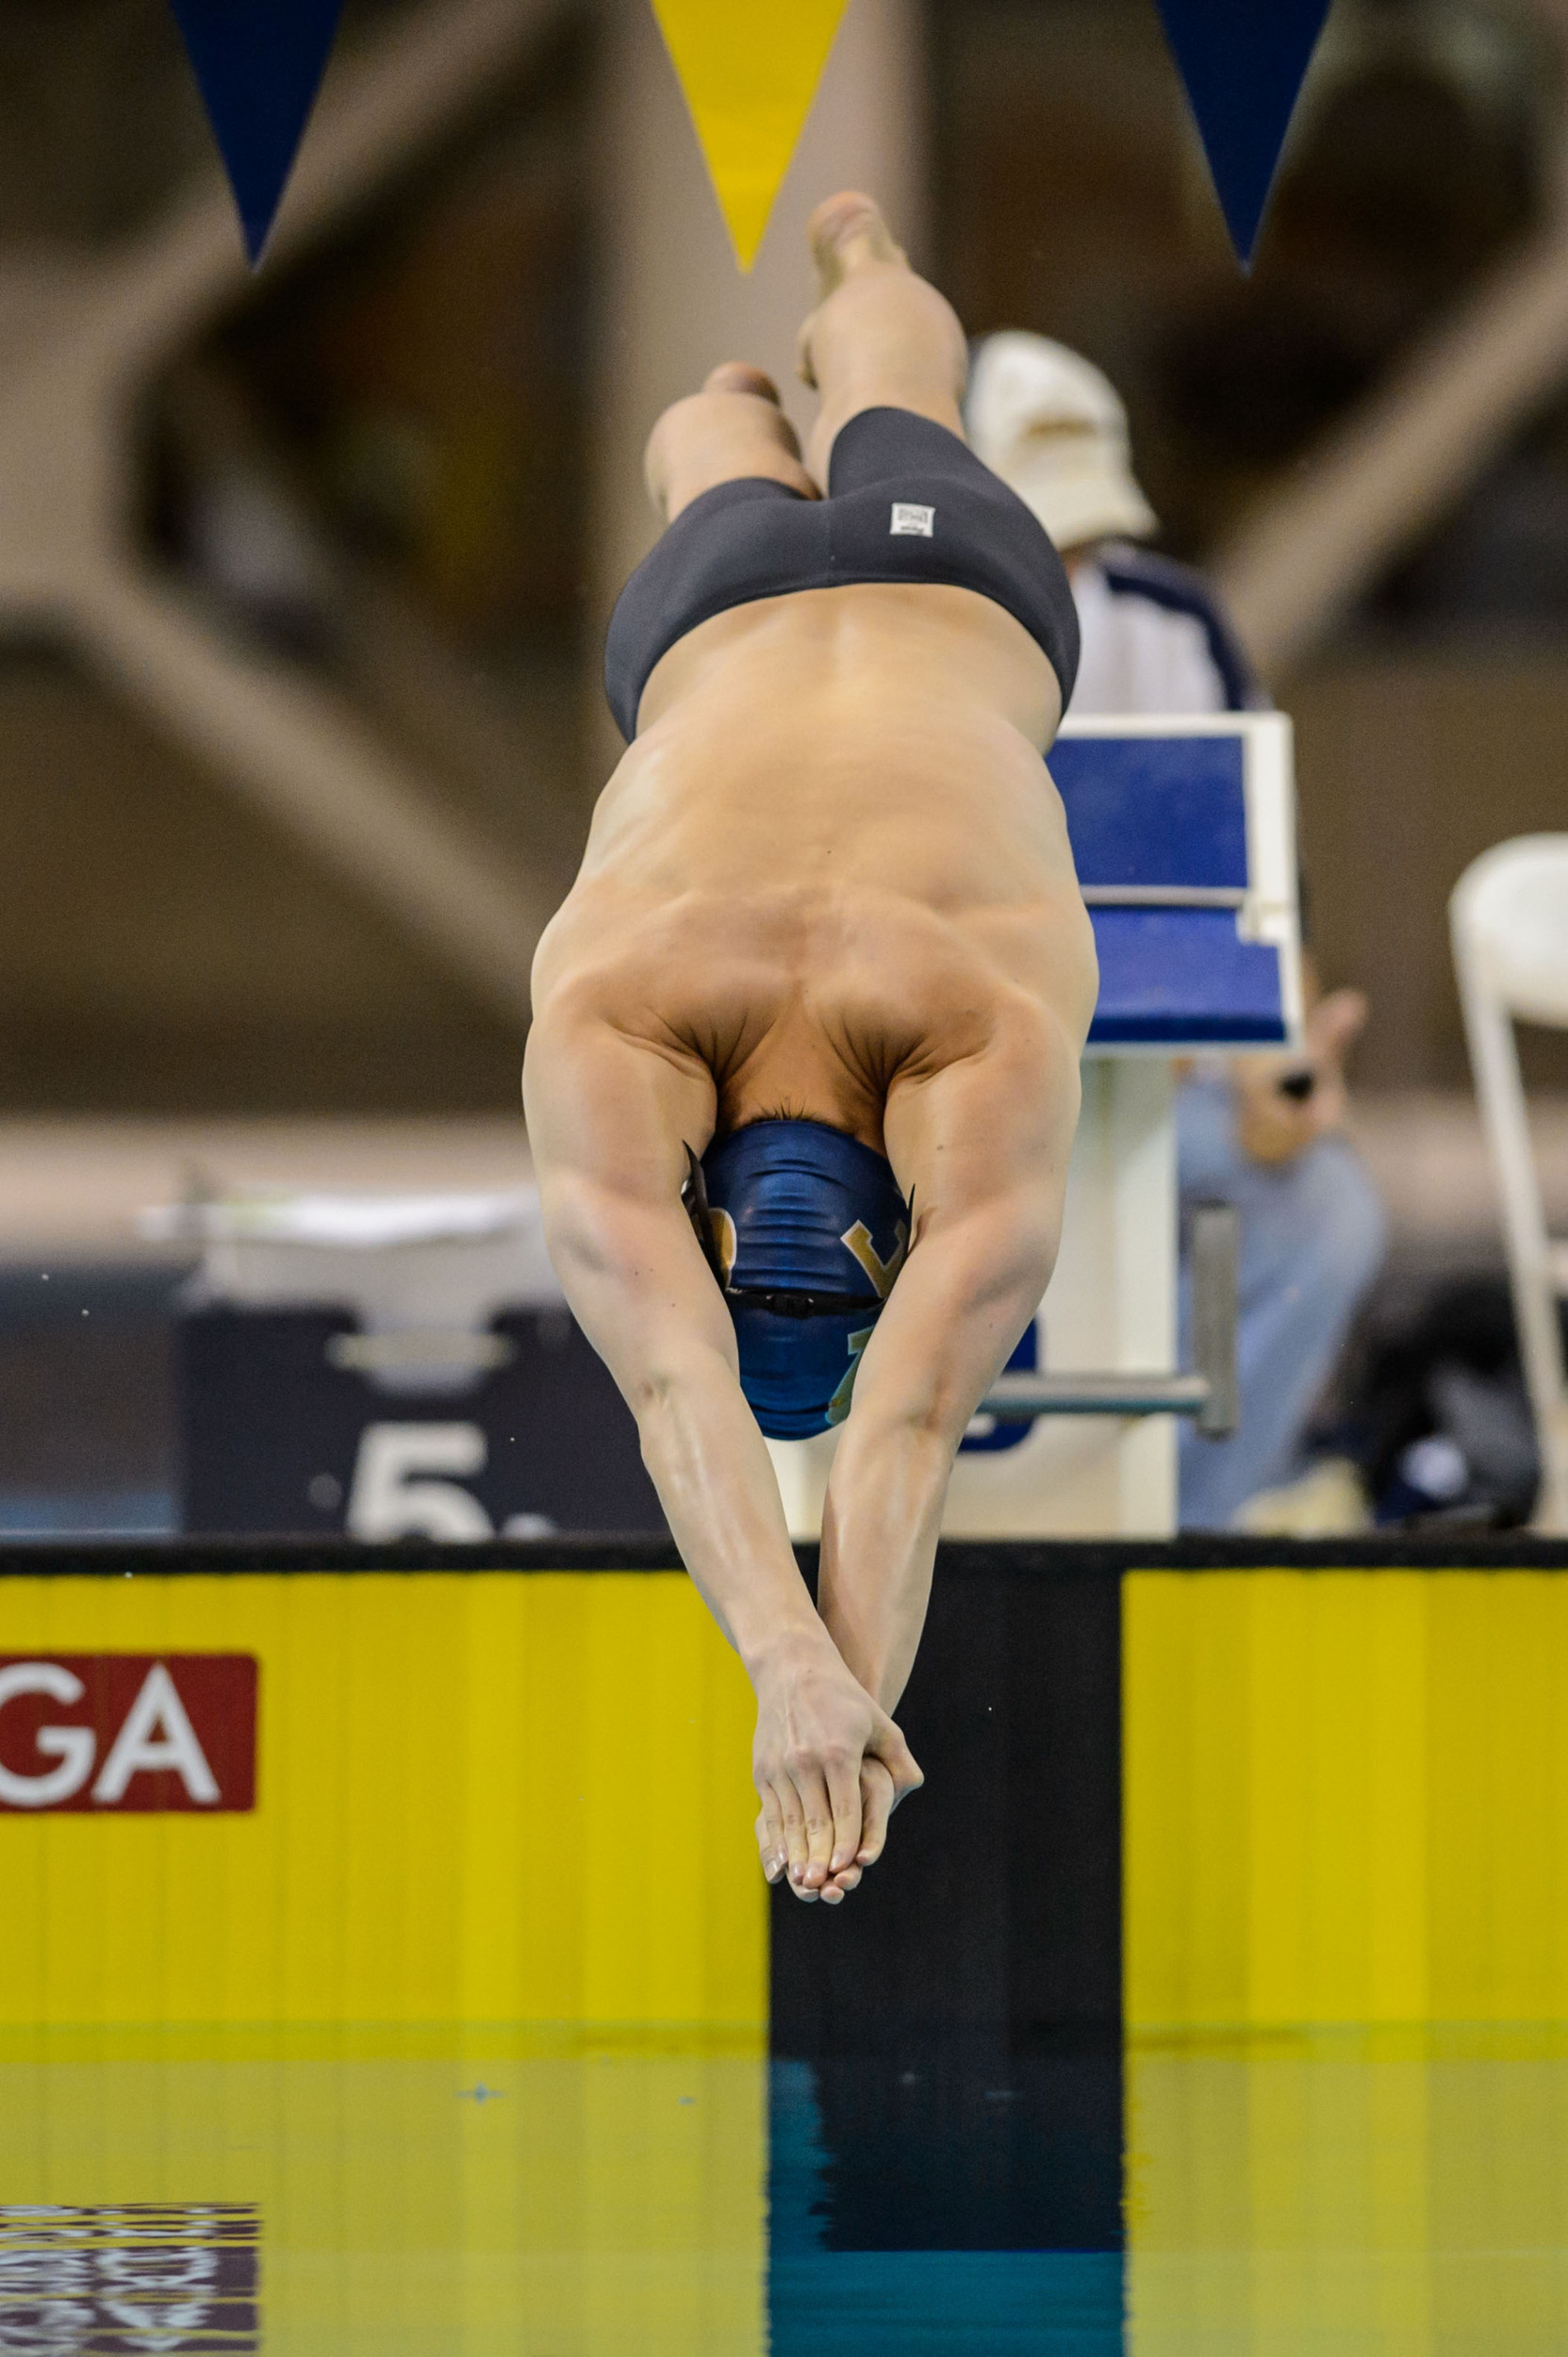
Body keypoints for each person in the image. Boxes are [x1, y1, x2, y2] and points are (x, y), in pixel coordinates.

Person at [524, 197, 1096, 1905]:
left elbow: (896, 1432)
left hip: (959, 604)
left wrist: (807, 1684)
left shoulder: (978, 1036)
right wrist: (803, 1681)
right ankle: (746, 380)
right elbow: (703, 1389)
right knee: (711, 440)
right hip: (711, 617)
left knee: (894, 387)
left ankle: (859, 286)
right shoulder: (611, 1014)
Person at [967, 333, 1388, 1527]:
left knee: (1329, 1214)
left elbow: (1261, 893)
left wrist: (1282, 1063)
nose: (1066, 560)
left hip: (1157, 1097)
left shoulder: (1169, 622)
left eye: (1080, 533)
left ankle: (1186, 1534)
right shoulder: (891, 632)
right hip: (943, 1104)